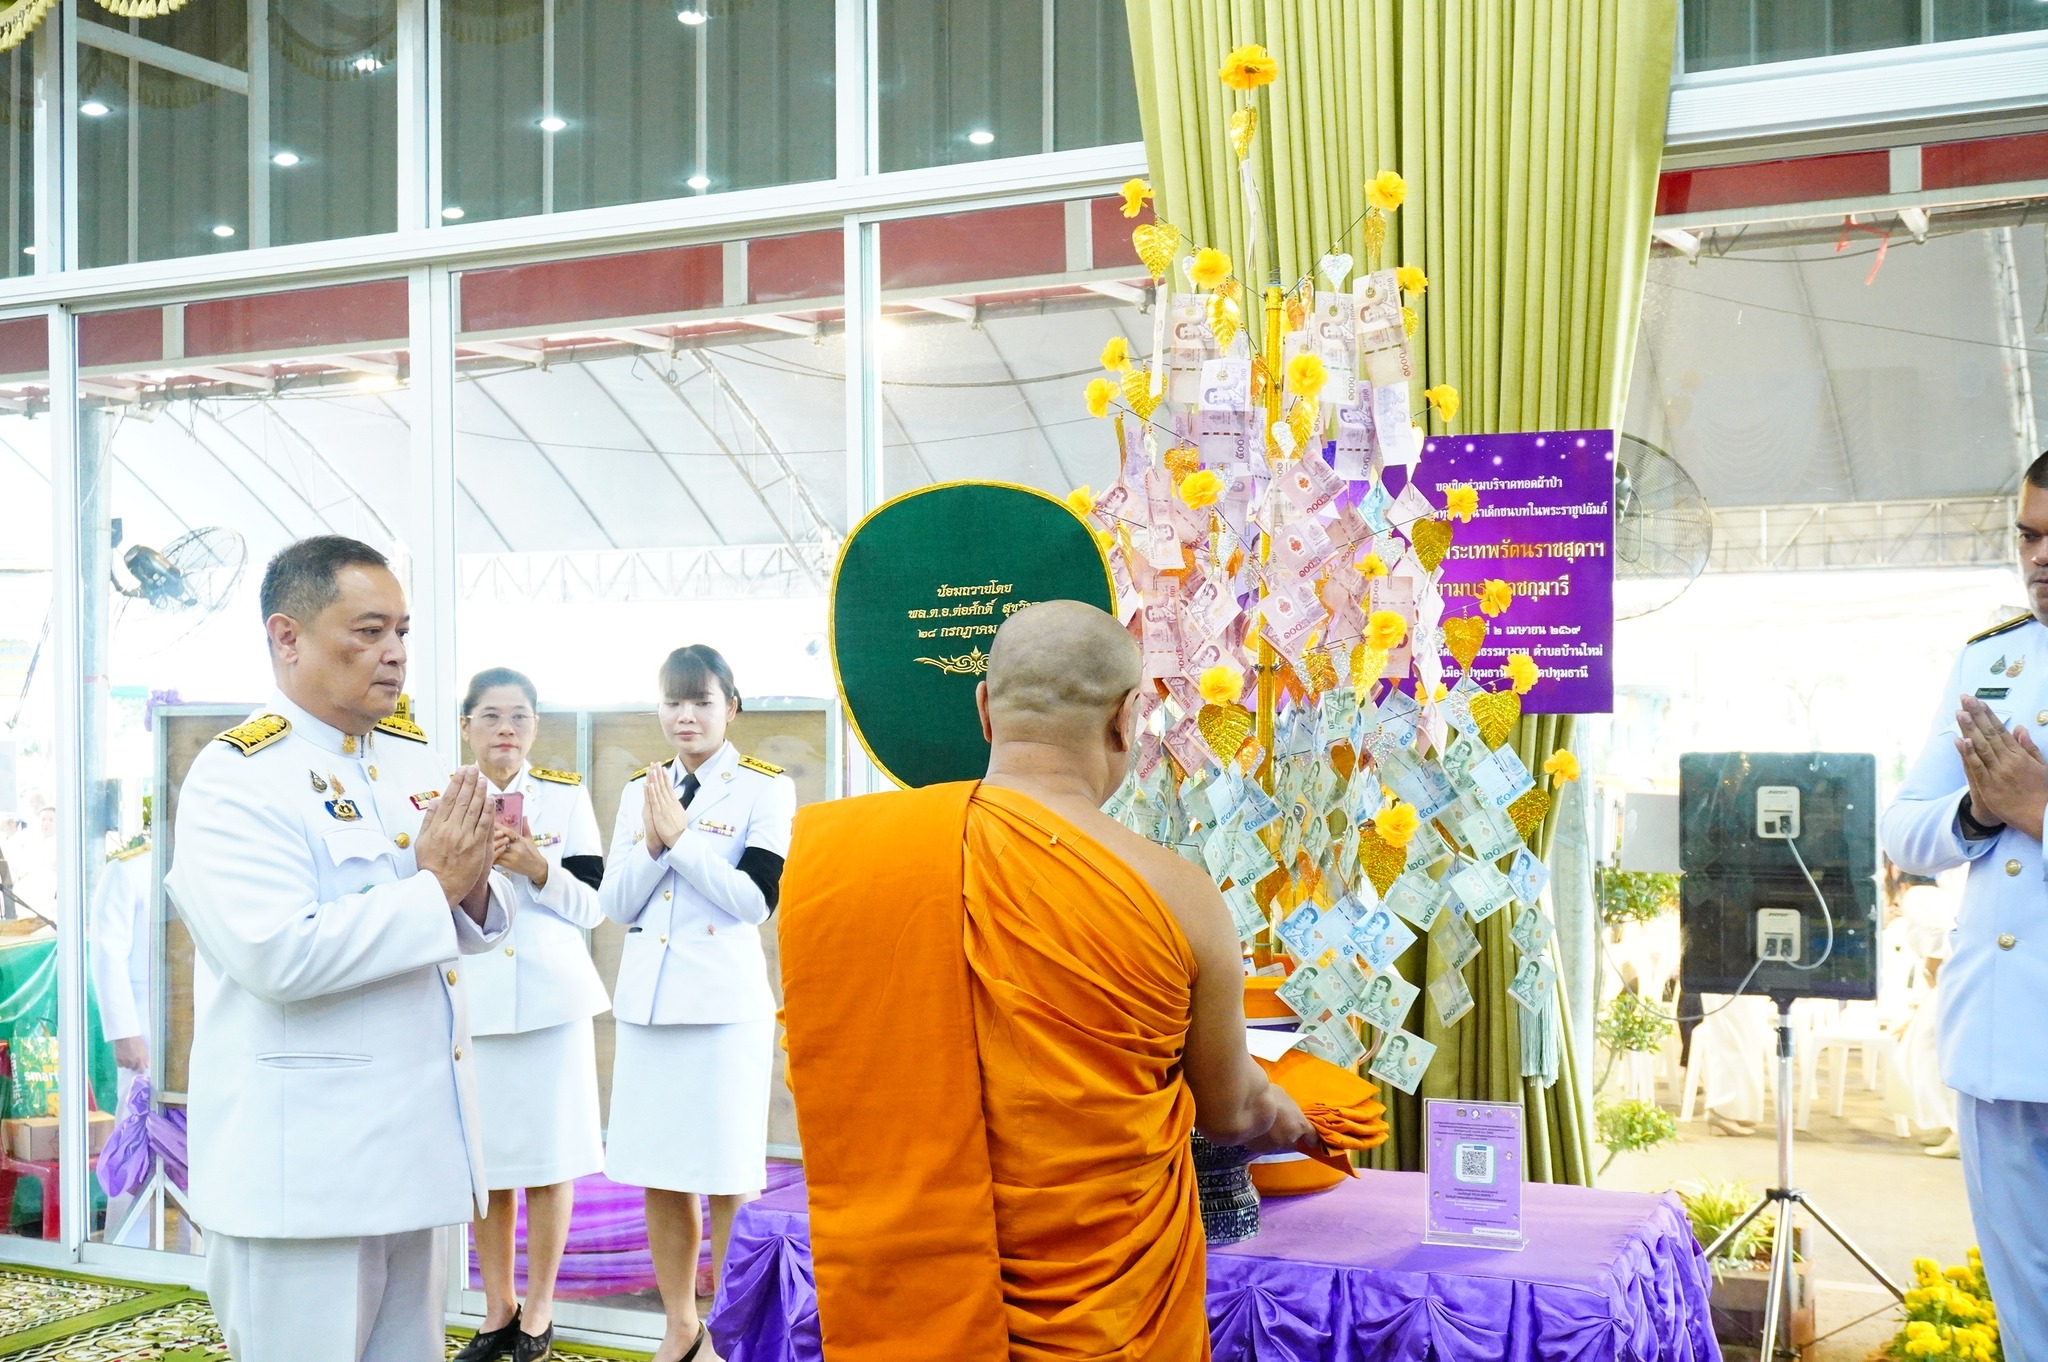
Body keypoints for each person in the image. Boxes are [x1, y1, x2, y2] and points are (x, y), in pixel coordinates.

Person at [779, 600, 1316, 1361]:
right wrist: (1283, 1111)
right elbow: (1229, 1114)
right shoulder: (1180, 894)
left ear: (983, 709)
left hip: (915, 1293)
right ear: (1129, 717)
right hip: (1109, 1310)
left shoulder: (853, 865)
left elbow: (829, 1068)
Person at [165, 535, 512, 1362]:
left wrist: (466, 890)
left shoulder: (406, 760)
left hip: (414, 1154)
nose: (393, 654)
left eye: (401, 631)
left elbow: (448, 919)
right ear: (288, 637)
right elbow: (276, 955)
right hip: (306, 1177)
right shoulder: (239, 776)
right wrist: (433, 888)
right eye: (367, 631)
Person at [1882, 449, 2048, 1359]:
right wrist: (1979, 810)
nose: (2040, 560)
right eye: (2027, 537)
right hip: (1997, 1041)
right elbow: (1904, 828)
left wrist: (2041, 808)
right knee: (2027, 1316)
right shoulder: (1992, 659)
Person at [599, 645, 794, 1362]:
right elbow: (616, 903)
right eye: (673, 701)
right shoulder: (638, 790)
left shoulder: (762, 789)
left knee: (725, 1176)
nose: (686, 715)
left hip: (720, 1013)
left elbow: (753, 901)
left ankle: (732, 1330)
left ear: (730, 707)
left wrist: (679, 845)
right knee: (661, 1172)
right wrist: (653, 847)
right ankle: (680, 1323)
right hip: (650, 1008)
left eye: (701, 701)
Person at [452, 668, 610, 1362]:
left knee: (550, 1162)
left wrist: (538, 868)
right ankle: (497, 1307)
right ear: (466, 727)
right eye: (489, 716)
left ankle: (540, 1310)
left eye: (518, 716)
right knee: (485, 1169)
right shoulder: (441, 801)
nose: (505, 730)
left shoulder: (567, 799)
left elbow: (593, 906)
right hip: (475, 1002)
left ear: (536, 727)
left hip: (551, 1002)